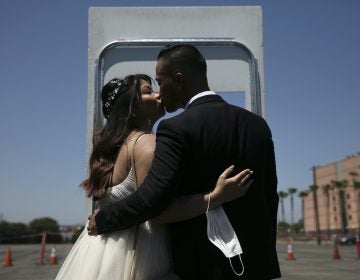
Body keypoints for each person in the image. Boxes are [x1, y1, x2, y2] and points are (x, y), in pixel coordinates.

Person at [88, 44, 281, 279]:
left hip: (201, 266)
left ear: (178, 80)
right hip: (257, 265)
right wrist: (265, 253)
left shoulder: (176, 128)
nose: (160, 91)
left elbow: (152, 200)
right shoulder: (257, 125)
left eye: (160, 81)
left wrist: (104, 218)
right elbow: (271, 196)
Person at [56, 74, 253, 280]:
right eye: (148, 92)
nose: (159, 95)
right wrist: (216, 197)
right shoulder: (145, 143)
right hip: (138, 251)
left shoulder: (113, 148)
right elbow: (157, 210)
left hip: (100, 251)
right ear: (131, 108)